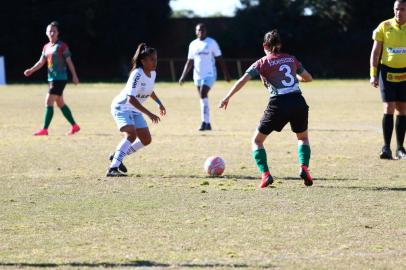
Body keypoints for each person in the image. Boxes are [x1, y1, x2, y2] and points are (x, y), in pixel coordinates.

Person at [219, 29, 313, 188]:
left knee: (257, 141)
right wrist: (294, 78)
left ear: (264, 45)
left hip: (278, 103)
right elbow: (308, 78)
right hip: (298, 101)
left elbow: (243, 80)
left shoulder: (262, 62)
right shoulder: (291, 59)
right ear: (280, 45)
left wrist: (227, 97)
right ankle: (304, 167)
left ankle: (266, 174)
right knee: (302, 138)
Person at [107, 43, 166, 177]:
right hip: (122, 107)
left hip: (134, 109)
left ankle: (117, 156)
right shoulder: (137, 74)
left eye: (155, 59)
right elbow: (131, 99)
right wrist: (150, 114)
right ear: (143, 61)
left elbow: (149, 90)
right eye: (152, 59)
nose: (155, 62)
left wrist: (159, 103)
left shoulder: (153, 73)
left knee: (146, 140)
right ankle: (113, 168)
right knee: (131, 135)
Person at [24, 21, 80, 136]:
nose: (52, 32)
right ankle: (75, 126)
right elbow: (41, 62)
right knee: (60, 103)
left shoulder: (62, 46)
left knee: (48, 101)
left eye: (54, 31)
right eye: (50, 31)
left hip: (60, 79)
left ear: (58, 33)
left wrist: (74, 75)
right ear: (46, 33)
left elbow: (69, 61)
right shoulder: (46, 47)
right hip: (51, 79)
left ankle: (44, 129)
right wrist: (31, 70)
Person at [370, 0, 406, 160]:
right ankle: (386, 148)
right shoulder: (384, 26)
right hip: (386, 72)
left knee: (402, 108)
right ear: (393, 9)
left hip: (405, 73)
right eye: (397, 9)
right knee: (389, 107)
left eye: (403, 9)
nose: (399, 12)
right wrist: (373, 73)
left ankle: (400, 148)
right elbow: (376, 52)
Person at [179, 23, 230, 131]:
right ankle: (207, 123)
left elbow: (219, 59)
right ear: (196, 32)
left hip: (210, 74)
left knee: (203, 93)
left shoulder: (211, 43)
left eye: (203, 30)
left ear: (206, 31)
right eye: (199, 30)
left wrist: (226, 74)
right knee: (203, 98)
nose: (201, 32)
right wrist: (183, 76)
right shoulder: (193, 44)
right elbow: (190, 61)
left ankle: (204, 122)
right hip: (197, 75)